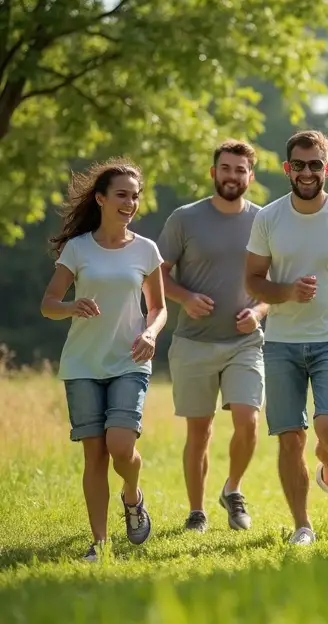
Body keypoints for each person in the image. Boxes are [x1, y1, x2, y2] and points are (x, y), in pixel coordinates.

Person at [244, 129, 328, 546]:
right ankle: (302, 525)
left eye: (315, 164)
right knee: (291, 438)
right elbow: (252, 281)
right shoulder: (268, 218)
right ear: (288, 168)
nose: (307, 172)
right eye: (299, 165)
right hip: (282, 342)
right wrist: (286, 292)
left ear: (327, 167)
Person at [40, 159, 166, 561]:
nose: (130, 203)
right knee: (94, 454)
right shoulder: (78, 249)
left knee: (121, 445)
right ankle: (100, 544)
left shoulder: (147, 250)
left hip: (129, 359)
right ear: (100, 199)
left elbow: (159, 308)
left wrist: (150, 333)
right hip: (82, 365)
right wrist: (72, 306)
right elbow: (48, 305)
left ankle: (132, 494)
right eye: (122, 195)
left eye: (135, 196)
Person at [157, 139, 267, 533]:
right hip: (193, 342)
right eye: (226, 168)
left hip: (244, 342)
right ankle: (196, 512)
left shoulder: (263, 221)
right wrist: (185, 298)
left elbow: (272, 285)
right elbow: (156, 275)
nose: (232, 176)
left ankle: (233, 489)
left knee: (248, 420)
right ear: (213, 172)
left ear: (250, 177)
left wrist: (257, 312)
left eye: (240, 170)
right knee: (199, 432)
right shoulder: (185, 219)